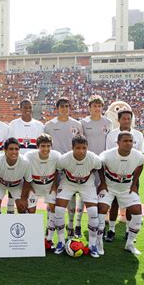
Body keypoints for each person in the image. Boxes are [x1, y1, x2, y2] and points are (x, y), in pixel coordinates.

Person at [54, 135, 102, 258]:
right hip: (68, 183)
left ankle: (92, 245)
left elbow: (98, 169)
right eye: (78, 148)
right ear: (72, 148)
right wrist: (55, 187)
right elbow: (58, 171)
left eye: (84, 148)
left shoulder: (94, 159)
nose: (81, 151)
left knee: (92, 211)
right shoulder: (63, 159)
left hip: (87, 184)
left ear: (87, 147)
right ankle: (60, 241)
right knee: (59, 209)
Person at [97, 132, 144, 256]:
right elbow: (99, 166)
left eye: (131, 141)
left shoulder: (138, 156)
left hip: (126, 188)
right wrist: (102, 182)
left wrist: (134, 184)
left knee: (137, 212)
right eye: (125, 141)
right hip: (109, 187)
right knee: (101, 209)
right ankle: (98, 244)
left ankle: (130, 244)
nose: (129, 143)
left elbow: (140, 166)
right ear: (118, 143)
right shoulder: (107, 155)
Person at [44, 97, 83, 238]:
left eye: (67, 106)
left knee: (71, 195)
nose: (64, 109)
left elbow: (80, 145)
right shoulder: (49, 125)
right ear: (57, 108)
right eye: (61, 106)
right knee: (52, 196)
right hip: (54, 166)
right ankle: (50, 225)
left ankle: (71, 225)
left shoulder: (77, 125)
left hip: (71, 166)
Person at [105, 109, 144, 242]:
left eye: (129, 118)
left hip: (132, 175)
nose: (126, 121)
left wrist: (135, 180)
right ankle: (111, 229)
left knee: (130, 203)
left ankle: (128, 229)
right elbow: (108, 154)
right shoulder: (112, 135)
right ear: (119, 120)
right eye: (124, 118)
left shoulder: (138, 134)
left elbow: (141, 157)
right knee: (115, 202)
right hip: (115, 174)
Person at [76, 95, 113, 238]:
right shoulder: (83, 123)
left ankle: (100, 226)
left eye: (99, 106)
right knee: (83, 194)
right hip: (87, 163)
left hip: (102, 164)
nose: (97, 109)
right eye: (94, 106)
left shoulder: (108, 122)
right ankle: (78, 225)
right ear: (89, 108)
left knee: (102, 195)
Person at [23, 134, 60, 249]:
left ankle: (50, 238)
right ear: (37, 146)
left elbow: (58, 171)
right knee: (31, 210)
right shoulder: (29, 156)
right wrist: (29, 186)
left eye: (48, 146)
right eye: (43, 146)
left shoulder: (56, 155)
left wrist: (54, 186)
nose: (46, 149)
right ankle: (31, 237)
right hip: (34, 187)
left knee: (54, 208)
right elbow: (25, 170)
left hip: (49, 187)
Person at [0, 138, 31, 214]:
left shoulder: (25, 162)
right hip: (0, 184)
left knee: (22, 207)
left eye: (16, 149)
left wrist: (23, 198)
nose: (14, 152)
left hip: (17, 185)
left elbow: (28, 180)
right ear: (5, 150)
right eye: (11, 149)